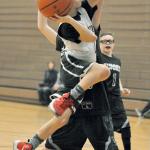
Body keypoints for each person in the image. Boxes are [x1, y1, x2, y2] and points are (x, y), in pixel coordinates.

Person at [14, 0, 118, 150]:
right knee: (57, 134)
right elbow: (44, 26)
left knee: (60, 119)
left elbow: (42, 26)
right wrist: (44, 7)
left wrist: (44, 8)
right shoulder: (70, 32)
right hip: (75, 92)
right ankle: (31, 143)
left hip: (92, 104)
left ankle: (30, 143)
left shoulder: (81, 26)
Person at [100, 32, 131, 150]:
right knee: (108, 134)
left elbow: (117, 77)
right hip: (103, 101)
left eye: (110, 41)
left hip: (117, 101)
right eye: (104, 41)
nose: (107, 43)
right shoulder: (98, 58)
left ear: (114, 44)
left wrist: (122, 89)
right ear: (100, 44)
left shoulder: (117, 61)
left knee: (126, 128)